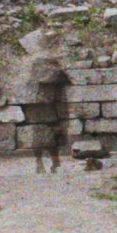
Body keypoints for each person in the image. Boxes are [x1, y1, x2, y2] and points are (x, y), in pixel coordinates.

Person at [22, 31, 68, 173]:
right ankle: (45, 162)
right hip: (43, 104)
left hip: (42, 104)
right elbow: (58, 77)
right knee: (46, 135)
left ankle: (49, 162)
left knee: (44, 135)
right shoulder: (43, 61)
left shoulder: (35, 61)